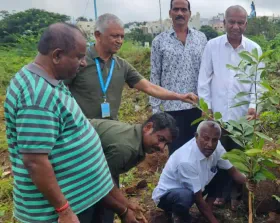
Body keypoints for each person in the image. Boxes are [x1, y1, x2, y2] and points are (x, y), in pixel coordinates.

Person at [4, 23, 144, 223]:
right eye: (78, 57)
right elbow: (35, 162)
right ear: (57, 55)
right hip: (64, 210)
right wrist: (64, 210)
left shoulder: (50, 80)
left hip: (82, 198)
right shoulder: (37, 97)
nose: (83, 63)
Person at [65, 13, 197, 120]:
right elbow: (59, 92)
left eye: (122, 36)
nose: (120, 41)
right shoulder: (80, 61)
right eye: (115, 36)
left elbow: (149, 87)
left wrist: (180, 96)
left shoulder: (121, 65)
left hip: (110, 130)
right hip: (81, 130)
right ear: (98, 35)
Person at [197, 5, 262, 210]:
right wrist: (205, 108)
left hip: (243, 118)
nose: (235, 26)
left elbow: (257, 84)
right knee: (216, 154)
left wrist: (253, 106)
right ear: (224, 22)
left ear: (246, 24)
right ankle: (218, 194)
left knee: (240, 156)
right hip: (217, 116)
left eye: (240, 22)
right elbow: (204, 80)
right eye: (231, 22)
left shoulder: (254, 49)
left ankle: (237, 196)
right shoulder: (212, 46)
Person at [152, 121, 254, 223]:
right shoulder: (186, 160)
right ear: (196, 136)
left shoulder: (217, 146)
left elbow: (233, 171)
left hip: (197, 186)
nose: (210, 144)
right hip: (169, 195)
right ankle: (180, 216)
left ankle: (207, 208)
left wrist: (248, 181)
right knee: (185, 196)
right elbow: (198, 199)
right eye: (206, 138)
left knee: (224, 171)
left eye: (214, 140)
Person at [89, 112, 179, 223]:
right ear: (148, 127)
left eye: (166, 144)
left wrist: (127, 204)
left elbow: (108, 176)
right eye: (160, 139)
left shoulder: (135, 137)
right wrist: (123, 211)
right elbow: (99, 182)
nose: (162, 147)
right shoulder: (126, 148)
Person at [150, 0, 207, 155]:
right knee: (177, 152)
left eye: (184, 9)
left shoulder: (201, 39)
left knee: (199, 149)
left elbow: (207, 72)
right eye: (176, 9)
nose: (180, 13)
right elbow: (155, 75)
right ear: (170, 13)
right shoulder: (159, 41)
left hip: (197, 107)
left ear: (189, 13)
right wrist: (156, 110)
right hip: (171, 109)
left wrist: (208, 104)